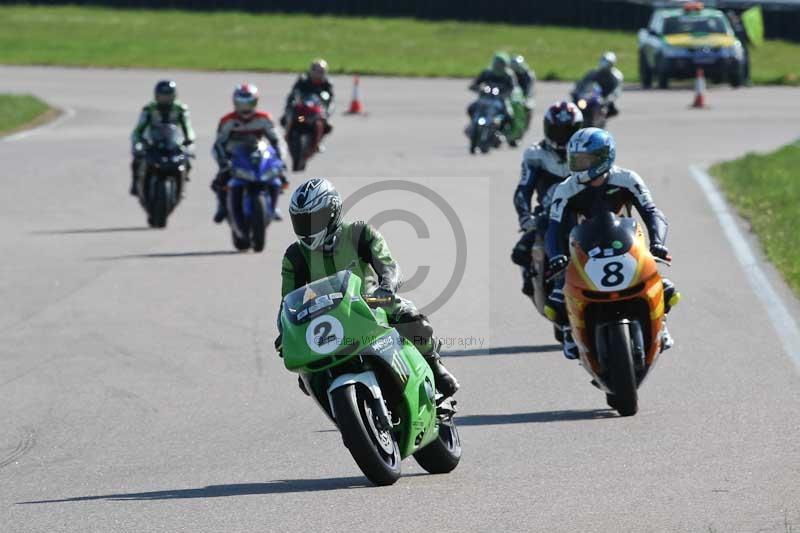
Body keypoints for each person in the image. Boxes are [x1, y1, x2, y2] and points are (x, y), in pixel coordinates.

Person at [275, 178, 460, 398]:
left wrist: (387, 286)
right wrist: (285, 331)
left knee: (412, 319)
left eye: (314, 220)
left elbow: (389, 266)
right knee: (306, 375)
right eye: (301, 221)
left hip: (370, 303)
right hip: (324, 319)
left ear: (332, 213)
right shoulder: (295, 256)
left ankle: (435, 367)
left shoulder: (359, 233)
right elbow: (288, 303)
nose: (307, 228)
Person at [544, 127, 677, 360]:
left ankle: (661, 324)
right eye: (575, 160)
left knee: (665, 287)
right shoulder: (565, 190)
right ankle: (568, 331)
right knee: (555, 301)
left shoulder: (628, 179)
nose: (579, 166)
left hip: (625, 244)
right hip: (584, 249)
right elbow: (553, 228)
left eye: (584, 160)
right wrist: (556, 256)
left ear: (604, 157)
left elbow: (652, 212)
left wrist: (657, 242)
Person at [510, 101, 584, 297]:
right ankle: (534, 279)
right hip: (548, 214)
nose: (562, 137)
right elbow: (523, 190)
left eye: (567, 131)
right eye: (557, 131)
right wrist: (525, 218)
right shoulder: (536, 154)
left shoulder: (588, 151)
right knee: (521, 252)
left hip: (586, 210)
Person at [212, 83, 285, 223]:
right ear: (235, 103)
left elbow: (277, 141)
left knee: (279, 177)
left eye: (249, 103)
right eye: (241, 104)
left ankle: (274, 207)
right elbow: (218, 144)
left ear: (255, 102)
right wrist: (223, 162)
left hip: (257, 156)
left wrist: (280, 159)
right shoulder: (227, 120)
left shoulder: (264, 118)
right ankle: (221, 206)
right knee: (220, 180)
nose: (245, 109)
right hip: (234, 158)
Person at [130, 80, 195, 196]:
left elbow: (188, 127)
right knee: (138, 158)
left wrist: (189, 141)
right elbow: (138, 130)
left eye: (168, 96)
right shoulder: (149, 109)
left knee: (185, 158)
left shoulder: (180, 109)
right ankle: (135, 183)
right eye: (162, 96)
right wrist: (137, 142)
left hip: (173, 143)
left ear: (174, 96)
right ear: (156, 96)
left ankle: (182, 183)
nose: (165, 99)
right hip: (153, 143)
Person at [281, 59, 335, 155]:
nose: (319, 74)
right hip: (302, 111)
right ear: (312, 71)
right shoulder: (303, 80)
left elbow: (330, 99)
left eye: (322, 72)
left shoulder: (327, 83)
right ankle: (286, 136)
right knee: (291, 117)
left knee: (324, 124)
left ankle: (318, 143)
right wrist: (291, 105)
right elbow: (293, 94)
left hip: (315, 113)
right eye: (317, 71)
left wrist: (327, 111)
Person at [467, 52, 518, 129]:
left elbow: (512, 89)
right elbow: (475, 84)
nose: (498, 66)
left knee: (509, 115)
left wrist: (505, 95)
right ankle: (473, 126)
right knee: (471, 108)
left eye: (500, 64)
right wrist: (478, 89)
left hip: (500, 99)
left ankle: (503, 131)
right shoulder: (487, 73)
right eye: (496, 63)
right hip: (485, 97)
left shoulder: (509, 76)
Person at [574, 52, 623, 117]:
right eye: (603, 60)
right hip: (592, 96)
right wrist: (578, 93)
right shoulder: (593, 73)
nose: (604, 64)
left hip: (605, 98)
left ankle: (602, 119)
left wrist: (607, 100)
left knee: (612, 111)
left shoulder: (616, 76)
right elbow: (582, 83)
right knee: (575, 106)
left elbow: (616, 91)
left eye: (607, 62)